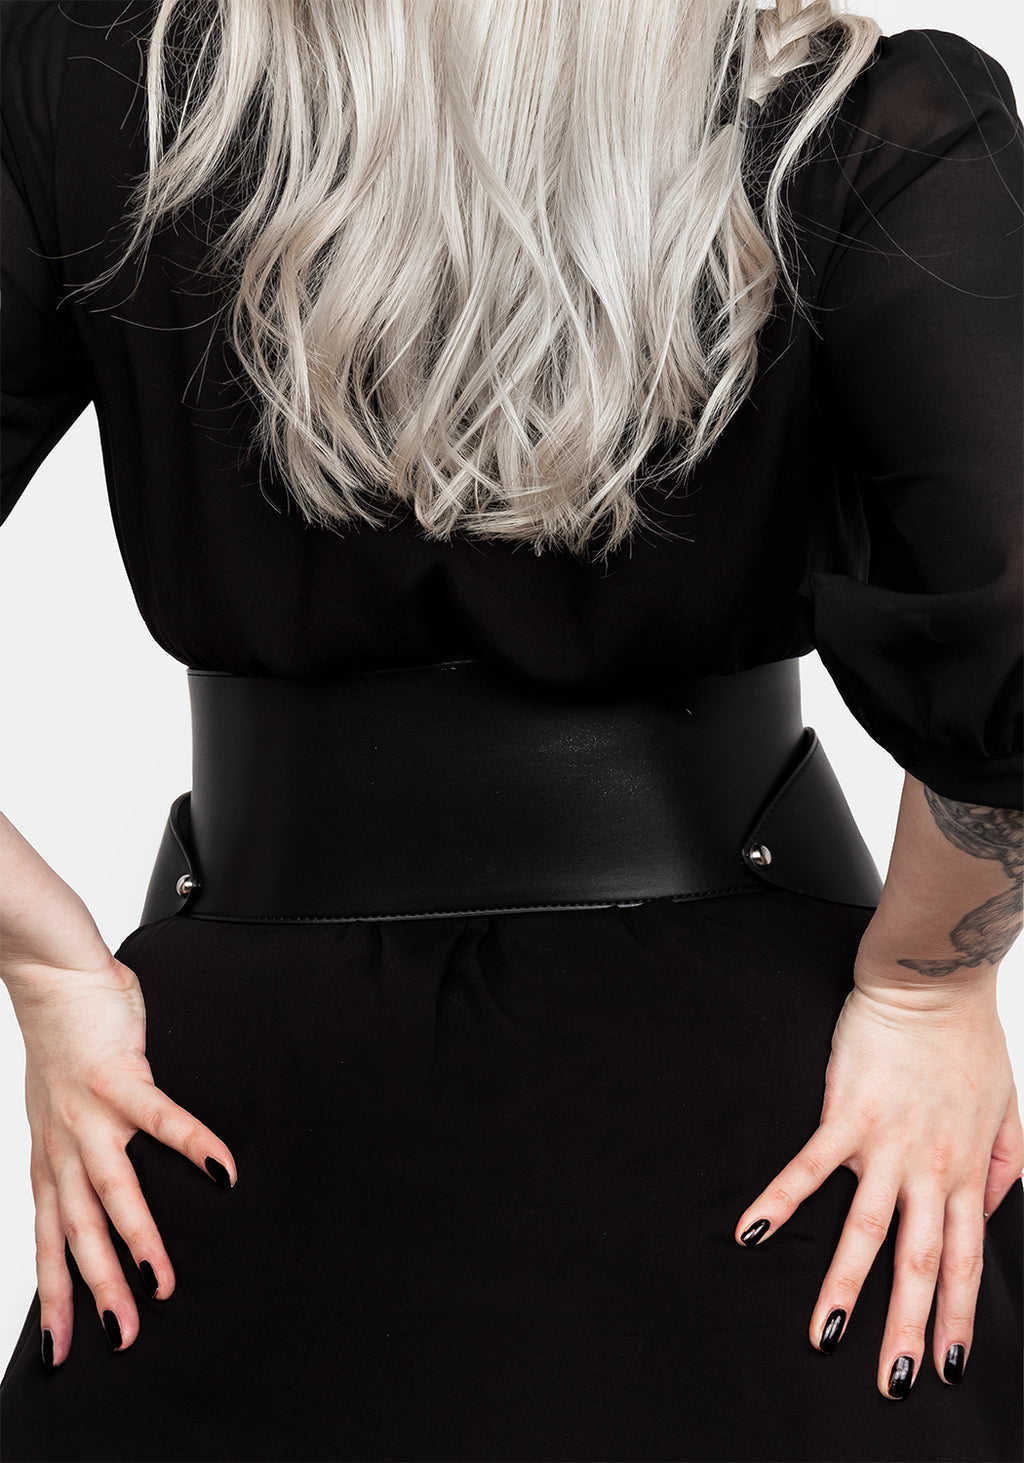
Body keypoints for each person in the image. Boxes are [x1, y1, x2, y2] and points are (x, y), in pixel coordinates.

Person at [0, 0, 1021, 1459]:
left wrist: (50, 967)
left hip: (234, 1106)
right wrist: (926, 984)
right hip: (776, 1118)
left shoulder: (99, 85)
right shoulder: (858, 116)